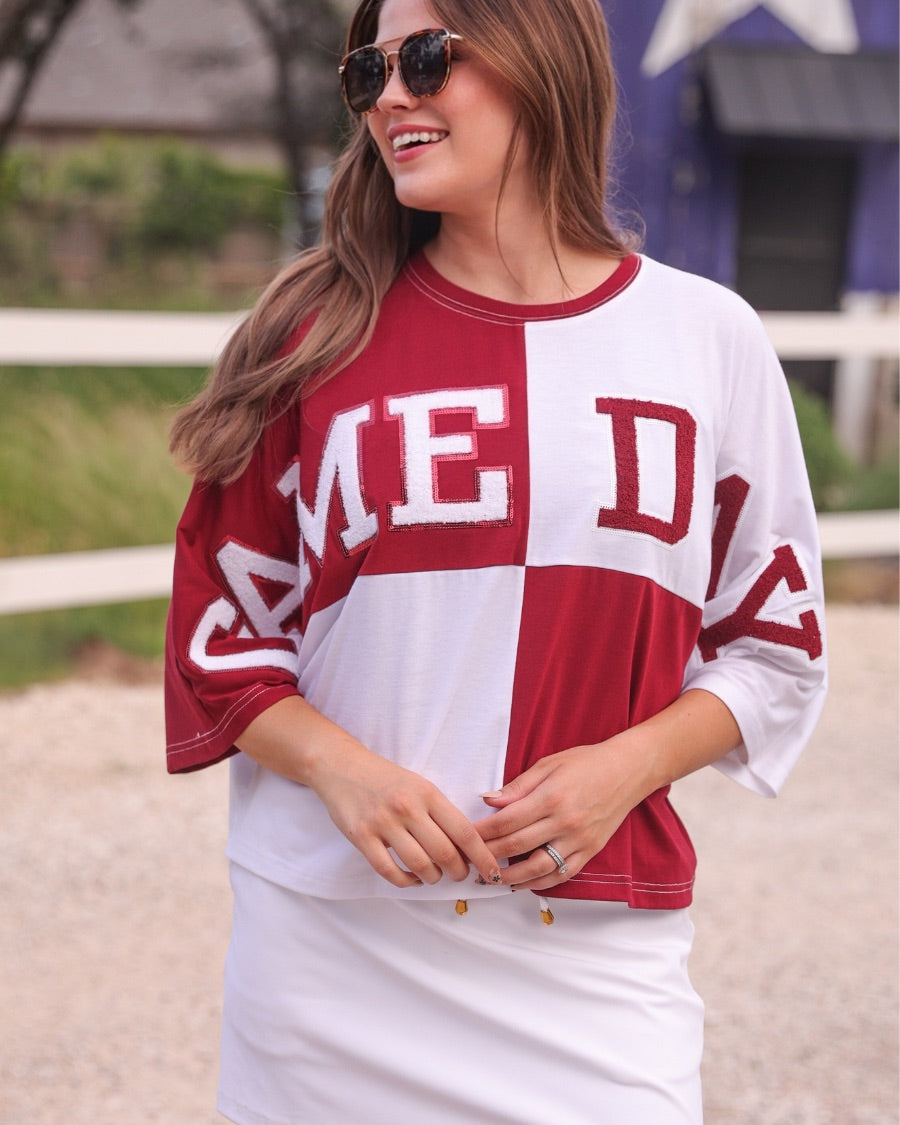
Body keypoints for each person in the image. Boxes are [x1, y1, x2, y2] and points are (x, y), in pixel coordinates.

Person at [164, 0, 827, 1122]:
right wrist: (343, 770)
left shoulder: (708, 340)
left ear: (543, 61)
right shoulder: (311, 335)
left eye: (427, 58)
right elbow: (217, 647)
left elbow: (776, 652)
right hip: (333, 954)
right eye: (368, 68)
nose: (389, 95)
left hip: (594, 964)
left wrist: (626, 768)